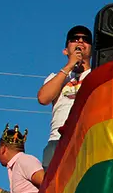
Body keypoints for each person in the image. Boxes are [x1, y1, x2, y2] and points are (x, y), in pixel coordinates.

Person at [37, 25, 93, 168]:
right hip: (57, 140)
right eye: (74, 39)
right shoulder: (56, 78)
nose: (80, 41)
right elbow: (43, 98)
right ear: (65, 50)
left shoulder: (97, 74)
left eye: (86, 40)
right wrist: (69, 66)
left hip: (87, 139)